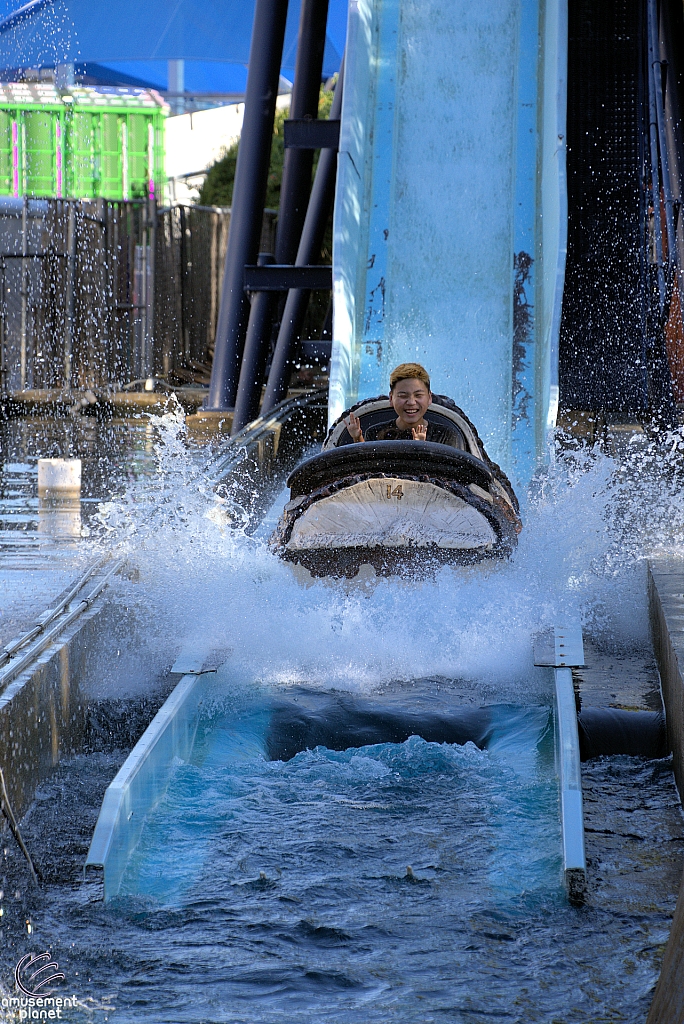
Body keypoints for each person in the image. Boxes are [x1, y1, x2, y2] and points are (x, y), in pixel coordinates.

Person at [345, 362, 463, 447]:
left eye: (418, 395)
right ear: (391, 398)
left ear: (429, 398)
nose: (411, 402)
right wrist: (357, 438)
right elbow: (368, 470)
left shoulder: (445, 436)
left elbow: (447, 478)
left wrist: (422, 449)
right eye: (403, 396)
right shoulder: (376, 434)